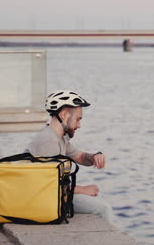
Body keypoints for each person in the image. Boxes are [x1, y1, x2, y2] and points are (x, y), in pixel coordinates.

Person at [25, 90, 113, 222]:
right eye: (78, 119)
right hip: (42, 198)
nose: (79, 125)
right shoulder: (49, 141)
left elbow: (81, 157)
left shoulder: (59, 138)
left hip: (51, 194)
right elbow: (49, 185)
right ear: (64, 114)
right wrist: (82, 189)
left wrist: (95, 156)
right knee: (103, 209)